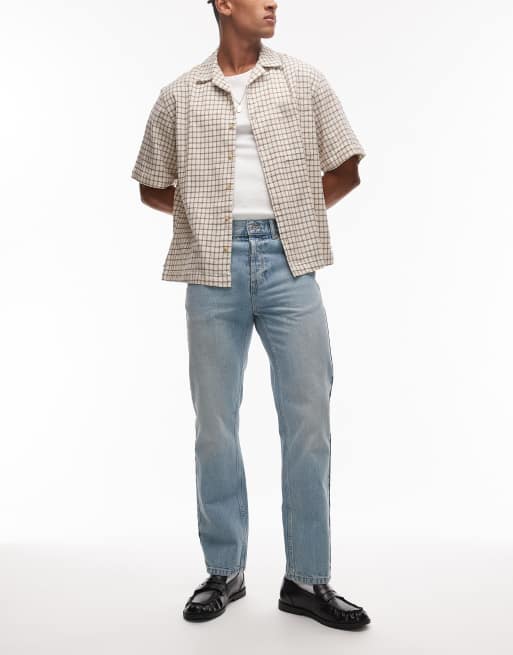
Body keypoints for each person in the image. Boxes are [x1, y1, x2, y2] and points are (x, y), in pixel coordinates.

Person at [131, 0, 371, 631]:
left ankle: (307, 579)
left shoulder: (303, 79)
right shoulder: (180, 94)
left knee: (309, 423)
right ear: (222, 4)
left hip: (291, 260)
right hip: (211, 266)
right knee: (215, 425)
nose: (273, 3)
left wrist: (293, 214)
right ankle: (224, 570)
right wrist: (210, 218)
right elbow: (151, 183)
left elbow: (347, 165)